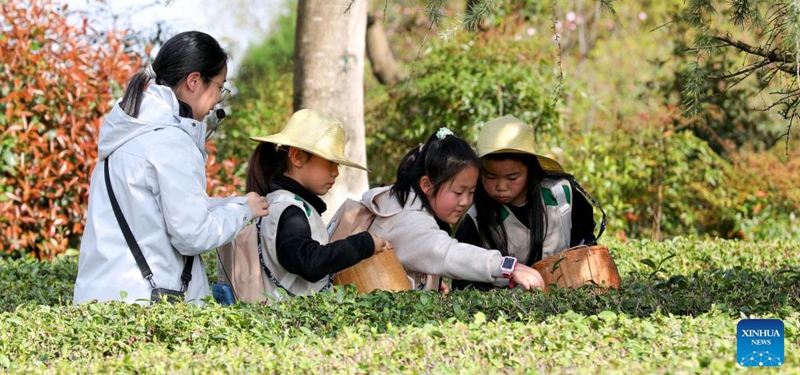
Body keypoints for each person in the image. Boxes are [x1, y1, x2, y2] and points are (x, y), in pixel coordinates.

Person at [73, 31, 269, 305]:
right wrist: (244, 211)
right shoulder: (170, 141)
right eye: (220, 87)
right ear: (194, 81)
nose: (217, 101)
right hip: (146, 308)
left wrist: (233, 203)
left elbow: (163, 211)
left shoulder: (128, 132)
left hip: (103, 301)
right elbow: (194, 234)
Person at [363, 127, 545, 292]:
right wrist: (507, 266)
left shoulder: (402, 202)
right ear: (427, 184)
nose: (465, 201)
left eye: (471, 191)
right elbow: (447, 253)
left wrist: (428, 282)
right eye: (458, 192)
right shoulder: (408, 220)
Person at [247, 108, 391, 300]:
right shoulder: (290, 210)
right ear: (297, 157)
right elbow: (310, 262)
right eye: (331, 162)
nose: (336, 173)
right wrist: (364, 243)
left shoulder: (280, 201)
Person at [452, 115, 598, 291]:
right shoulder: (474, 219)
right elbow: (466, 280)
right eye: (490, 177)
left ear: (530, 170)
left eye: (512, 177)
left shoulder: (560, 192)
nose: (501, 187)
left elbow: (584, 235)